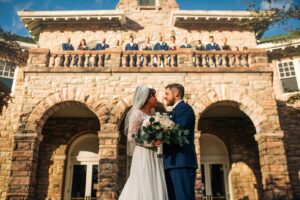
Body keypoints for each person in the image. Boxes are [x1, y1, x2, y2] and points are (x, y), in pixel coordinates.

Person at [119, 86, 169, 200]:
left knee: (155, 180)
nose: (156, 98)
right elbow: (131, 137)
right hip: (143, 153)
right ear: (146, 98)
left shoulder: (153, 115)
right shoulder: (137, 114)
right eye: (154, 96)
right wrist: (150, 143)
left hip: (155, 154)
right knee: (144, 179)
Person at [164, 83, 198, 200]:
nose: (165, 97)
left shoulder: (185, 109)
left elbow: (178, 131)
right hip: (170, 163)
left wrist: (161, 136)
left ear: (176, 93)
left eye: (167, 94)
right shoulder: (173, 112)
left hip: (181, 163)